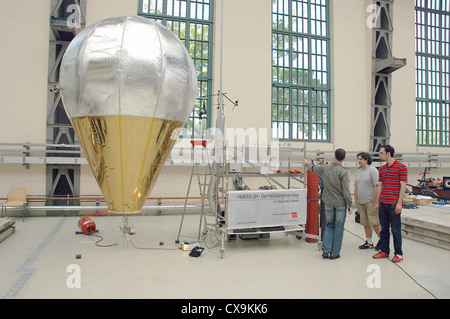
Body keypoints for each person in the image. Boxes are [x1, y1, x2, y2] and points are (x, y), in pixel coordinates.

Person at [303, 148, 352, 260]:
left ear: (334, 156)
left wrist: (306, 163)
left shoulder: (325, 168)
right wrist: (350, 205)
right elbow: (346, 191)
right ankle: (335, 253)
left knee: (329, 225)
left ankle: (326, 250)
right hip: (340, 204)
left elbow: (314, 168)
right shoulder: (343, 172)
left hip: (328, 202)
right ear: (344, 158)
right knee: (338, 228)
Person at [372, 145, 407, 263]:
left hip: (393, 205)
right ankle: (385, 251)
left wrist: (399, 204)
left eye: (381, 153)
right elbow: (380, 186)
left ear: (388, 154)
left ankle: (398, 253)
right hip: (383, 204)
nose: (379, 155)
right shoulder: (381, 169)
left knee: (396, 230)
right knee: (384, 230)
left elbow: (403, 187)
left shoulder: (401, 168)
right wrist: (377, 202)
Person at [354, 152, 381, 250]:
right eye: (358, 159)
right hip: (361, 202)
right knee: (365, 223)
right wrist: (356, 199)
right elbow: (355, 186)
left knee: (374, 222)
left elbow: (377, 186)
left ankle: (382, 240)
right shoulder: (358, 172)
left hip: (370, 202)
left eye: (361, 159)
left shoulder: (372, 170)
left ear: (366, 160)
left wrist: (374, 200)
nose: (359, 161)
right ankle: (369, 242)